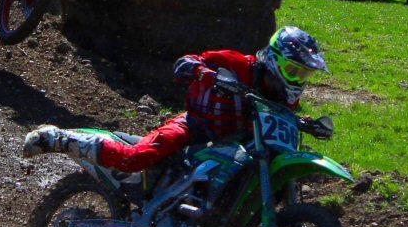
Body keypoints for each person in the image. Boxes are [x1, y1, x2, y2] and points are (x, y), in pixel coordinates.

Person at [24, 26, 328, 171]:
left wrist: (307, 125)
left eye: (303, 75)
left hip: (234, 146)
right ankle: (61, 138)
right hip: (196, 125)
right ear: (273, 59)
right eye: (293, 70)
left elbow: (283, 116)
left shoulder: (282, 98)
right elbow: (187, 62)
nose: (297, 80)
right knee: (136, 159)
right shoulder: (237, 63)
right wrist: (202, 71)